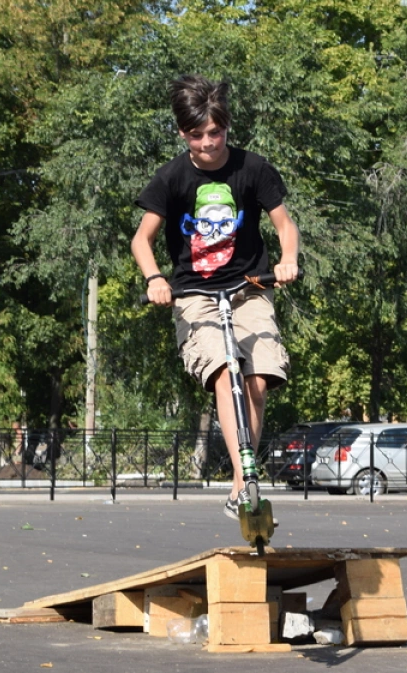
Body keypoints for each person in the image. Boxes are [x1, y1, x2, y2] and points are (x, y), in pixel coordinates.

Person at [131, 74, 300, 520]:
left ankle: (242, 481)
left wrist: (288, 260)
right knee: (225, 371)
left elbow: (285, 226)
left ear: (227, 126)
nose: (208, 143)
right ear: (182, 132)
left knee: (257, 379)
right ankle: (247, 478)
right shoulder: (171, 177)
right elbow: (141, 241)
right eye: (197, 134)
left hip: (251, 288)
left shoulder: (254, 168)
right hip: (195, 295)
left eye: (216, 132)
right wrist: (154, 279)